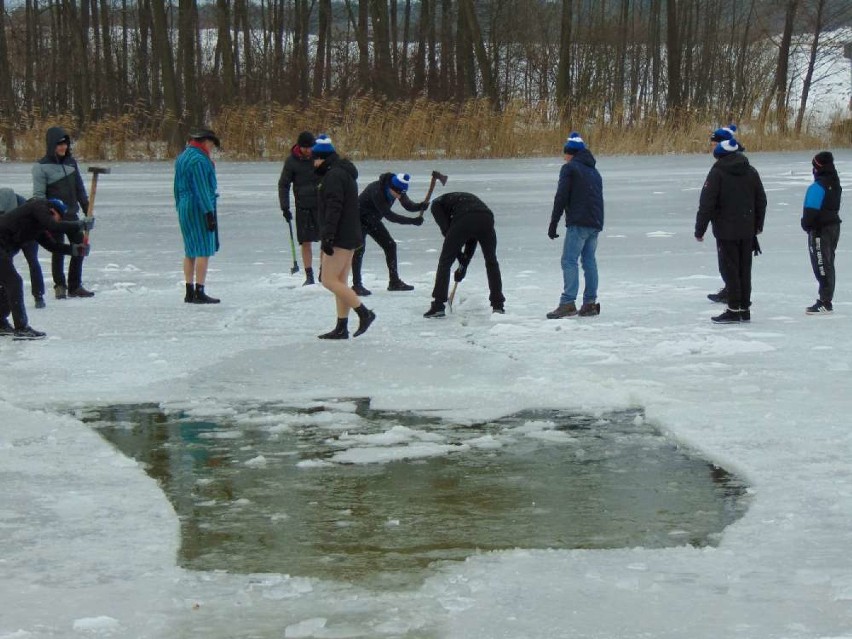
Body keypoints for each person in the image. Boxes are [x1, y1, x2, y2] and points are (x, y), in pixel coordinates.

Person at [694, 132, 767, 323]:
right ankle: (744, 309)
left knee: (730, 270)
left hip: (726, 232)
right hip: (747, 230)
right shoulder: (751, 171)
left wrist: (699, 230)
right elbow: (761, 200)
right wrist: (758, 224)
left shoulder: (717, 173)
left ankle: (734, 309)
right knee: (745, 270)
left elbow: (707, 203)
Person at [0, 198, 94, 339]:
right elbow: (53, 226)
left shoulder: (38, 226)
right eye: (59, 218)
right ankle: (22, 328)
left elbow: (53, 246)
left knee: (7, 284)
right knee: (14, 282)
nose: (58, 221)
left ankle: (1, 323)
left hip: (3, 252)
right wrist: (79, 225)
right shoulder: (38, 206)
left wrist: (75, 250)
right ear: (52, 211)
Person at [312, 135, 376, 339]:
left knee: (328, 280)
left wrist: (328, 237)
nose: (313, 163)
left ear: (322, 158)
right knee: (340, 281)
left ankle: (364, 313)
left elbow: (334, 208)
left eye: (315, 159)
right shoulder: (344, 173)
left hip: (339, 236)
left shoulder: (333, 176)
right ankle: (341, 327)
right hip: (350, 234)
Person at [31, 126, 93, 299]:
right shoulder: (41, 167)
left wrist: (87, 206)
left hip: (72, 215)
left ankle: (75, 286)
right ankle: (60, 285)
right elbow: (39, 197)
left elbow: (79, 188)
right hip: (54, 218)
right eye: (59, 144)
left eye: (65, 144)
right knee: (58, 250)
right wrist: (47, 215)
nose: (63, 147)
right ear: (51, 145)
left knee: (80, 248)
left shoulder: (71, 163)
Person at [546, 132, 604, 319]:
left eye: (565, 153)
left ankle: (568, 302)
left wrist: (553, 222)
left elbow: (561, 196)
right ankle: (590, 304)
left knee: (569, 260)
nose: (564, 157)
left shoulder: (570, 169)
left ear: (571, 152)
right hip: (595, 222)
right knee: (589, 261)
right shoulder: (594, 171)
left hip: (578, 222)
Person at [423, 192, 505, 318]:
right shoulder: (461, 199)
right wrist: (463, 265)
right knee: (491, 261)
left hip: (466, 217)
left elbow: (447, 231)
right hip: (486, 217)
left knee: (445, 262)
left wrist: (461, 259)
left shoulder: (436, 205)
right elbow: (471, 238)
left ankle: (438, 305)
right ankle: (498, 305)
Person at [351, 172, 425, 296]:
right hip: (358, 219)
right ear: (391, 187)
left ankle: (394, 282)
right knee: (359, 250)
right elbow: (390, 216)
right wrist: (412, 221)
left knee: (390, 245)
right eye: (398, 194)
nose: (399, 197)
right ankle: (357, 285)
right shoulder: (377, 191)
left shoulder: (398, 188)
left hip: (373, 220)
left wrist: (420, 206)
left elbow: (407, 205)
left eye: (402, 194)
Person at [175, 127, 221, 304]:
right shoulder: (199, 160)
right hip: (198, 206)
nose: (211, 147)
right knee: (203, 249)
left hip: (184, 205)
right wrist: (208, 212)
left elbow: (176, 187)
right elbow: (202, 189)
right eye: (211, 144)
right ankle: (200, 291)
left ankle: (189, 290)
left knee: (190, 249)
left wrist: (179, 205)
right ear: (205, 141)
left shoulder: (182, 157)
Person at [801, 151, 842, 314]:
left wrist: (806, 224)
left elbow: (810, 212)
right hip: (833, 227)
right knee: (828, 262)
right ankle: (826, 298)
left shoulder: (817, 186)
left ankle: (825, 301)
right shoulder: (835, 183)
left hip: (820, 230)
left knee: (821, 264)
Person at [705, 125, 741, 305]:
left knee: (729, 261)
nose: (711, 146)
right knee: (733, 261)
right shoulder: (735, 163)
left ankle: (733, 293)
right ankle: (733, 290)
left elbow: (709, 199)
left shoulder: (725, 167)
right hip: (738, 222)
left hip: (729, 223)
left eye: (714, 143)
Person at [278, 130, 320, 285]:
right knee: (305, 241)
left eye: (310, 147)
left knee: (326, 240)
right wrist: (285, 207)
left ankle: (324, 273)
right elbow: (283, 185)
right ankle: (309, 275)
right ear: (300, 147)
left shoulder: (319, 157)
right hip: (302, 207)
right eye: (305, 148)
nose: (308, 150)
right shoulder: (291, 161)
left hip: (320, 205)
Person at [0, 188, 46, 308]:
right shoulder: (8, 198)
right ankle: (37, 296)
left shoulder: (10, 199)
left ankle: (38, 295)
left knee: (31, 261)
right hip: (13, 235)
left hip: (24, 233)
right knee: (13, 263)